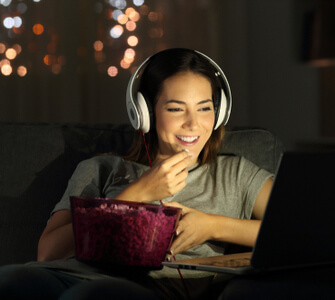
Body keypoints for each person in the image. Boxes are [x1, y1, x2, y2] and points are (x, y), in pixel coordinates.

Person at [0, 48, 273, 299]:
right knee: (13, 278)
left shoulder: (236, 174)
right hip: (65, 276)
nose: (193, 123)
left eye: (204, 108)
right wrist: (138, 194)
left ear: (220, 110)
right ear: (145, 113)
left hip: (143, 290)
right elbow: (48, 254)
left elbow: (300, 233)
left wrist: (213, 226)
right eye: (176, 108)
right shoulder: (100, 169)